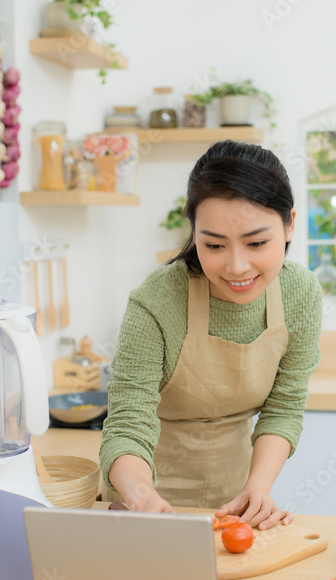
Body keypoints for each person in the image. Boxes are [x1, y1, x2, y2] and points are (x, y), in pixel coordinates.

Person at [99, 140, 322, 531]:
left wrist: (257, 490)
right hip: (142, 499)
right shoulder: (158, 299)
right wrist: (139, 494)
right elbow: (127, 423)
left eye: (256, 243)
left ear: (289, 224)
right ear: (194, 233)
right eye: (214, 245)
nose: (237, 266)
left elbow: (283, 408)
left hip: (234, 498)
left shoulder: (299, 294)